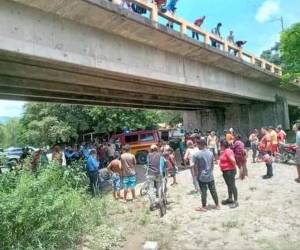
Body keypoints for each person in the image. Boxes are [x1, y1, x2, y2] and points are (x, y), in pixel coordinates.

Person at [193, 139, 219, 212]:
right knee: (213, 190)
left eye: (198, 144)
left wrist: (196, 175)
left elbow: (196, 166)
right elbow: (212, 164)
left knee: (203, 192)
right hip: (210, 175)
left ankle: (204, 206)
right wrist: (210, 171)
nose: (197, 146)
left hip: (201, 176)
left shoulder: (196, 154)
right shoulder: (210, 153)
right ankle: (217, 205)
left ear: (201, 145)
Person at [219, 140, 238, 208]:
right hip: (226, 171)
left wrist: (232, 168)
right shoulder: (224, 151)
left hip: (229, 171)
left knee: (232, 185)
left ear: (223, 146)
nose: (219, 147)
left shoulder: (228, 151)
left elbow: (233, 160)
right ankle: (230, 199)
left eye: (220, 145)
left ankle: (236, 201)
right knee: (229, 185)